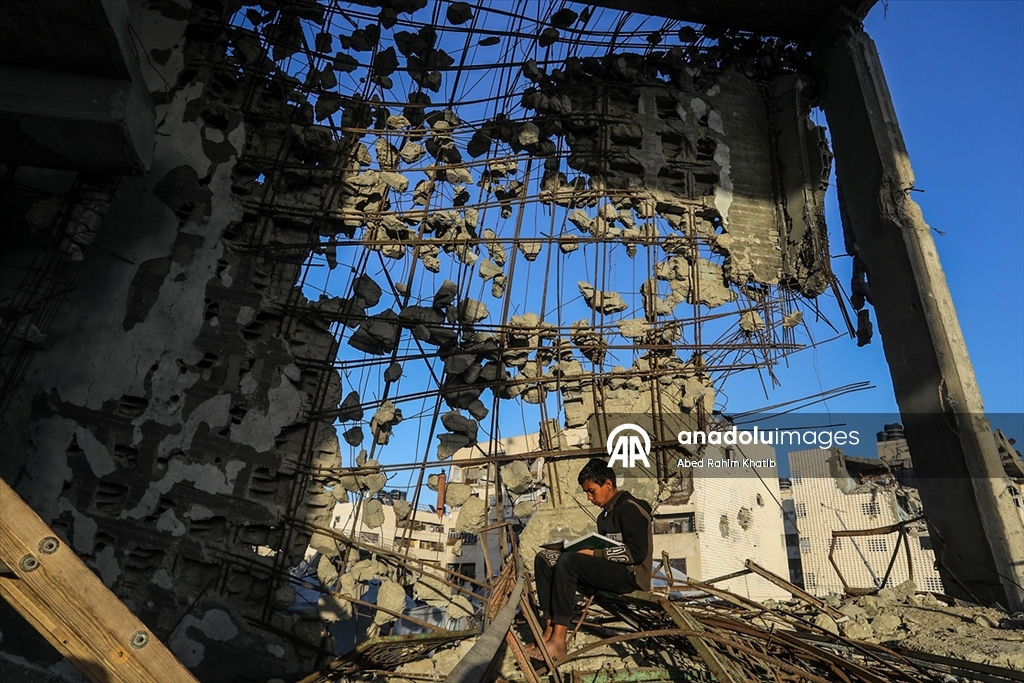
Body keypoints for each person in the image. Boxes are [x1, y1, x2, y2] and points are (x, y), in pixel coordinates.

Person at [529, 458, 653, 661]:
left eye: (591, 491)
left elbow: (637, 553)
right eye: (586, 492)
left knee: (569, 561)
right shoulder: (603, 517)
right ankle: (549, 631)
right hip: (610, 572)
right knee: (545, 558)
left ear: (608, 484)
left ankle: (559, 642)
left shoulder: (631, 508)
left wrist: (593, 554)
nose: (588, 497)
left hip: (631, 576)